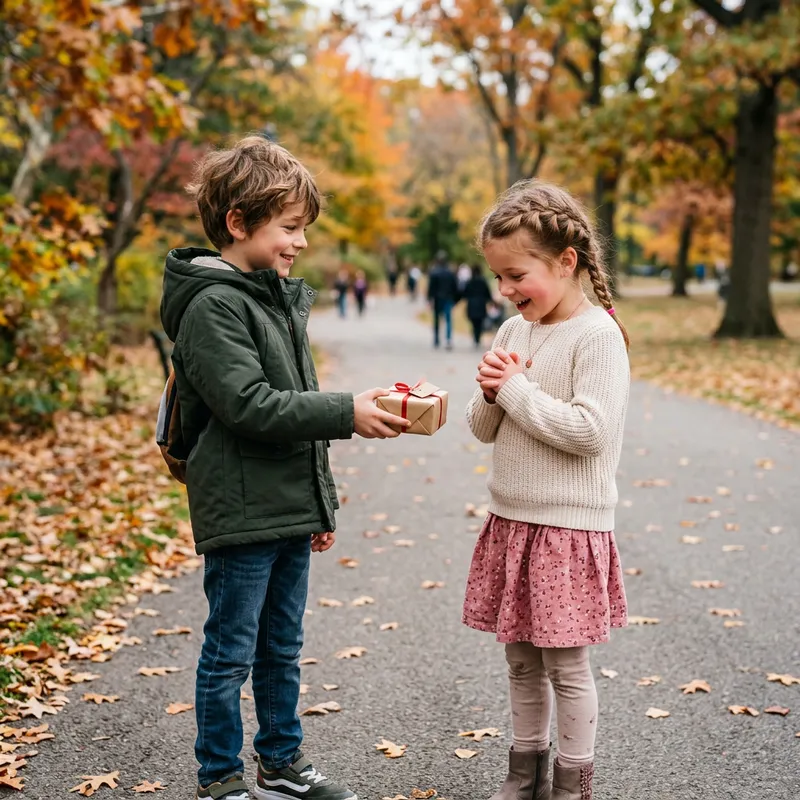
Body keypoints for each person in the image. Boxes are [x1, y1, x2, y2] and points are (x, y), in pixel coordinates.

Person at [160, 135, 410, 800]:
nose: (299, 242)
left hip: (282, 506)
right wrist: (345, 412)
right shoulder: (214, 305)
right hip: (241, 511)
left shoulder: (269, 297)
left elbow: (293, 402)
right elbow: (251, 406)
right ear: (238, 223)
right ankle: (220, 775)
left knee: (281, 647)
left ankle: (281, 763)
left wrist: (317, 506)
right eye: (289, 227)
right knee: (231, 651)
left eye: (303, 228)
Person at [464, 180, 631, 800]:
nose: (505, 291)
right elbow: (484, 430)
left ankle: (571, 782)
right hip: (512, 519)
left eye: (516, 275)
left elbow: (589, 432)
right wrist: (489, 393)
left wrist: (513, 392)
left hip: (567, 527)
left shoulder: (597, 337)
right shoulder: (514, 333)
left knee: (565, 664)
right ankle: (523, 771)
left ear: (567, 262)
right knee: (520, 660)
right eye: (499, 278)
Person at [427, 250, 459, 349]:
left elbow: (431, 288)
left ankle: (436, 339)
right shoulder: (450, 273)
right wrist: (455, 299)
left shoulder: (434, 272)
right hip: (448, 298)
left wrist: (429, 299)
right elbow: (455, 287)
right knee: (448, 319)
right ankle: (448, 339)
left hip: (437, 299)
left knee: (436, 319)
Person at [461, 263, 493, 348]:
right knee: (479, 322)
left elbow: (465, 293)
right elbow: (488, 293)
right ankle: (477, 338)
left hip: (471, 305)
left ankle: (475, 338)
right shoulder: (483, 281)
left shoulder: (469, 281)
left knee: (474, 323)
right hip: (481, 305)